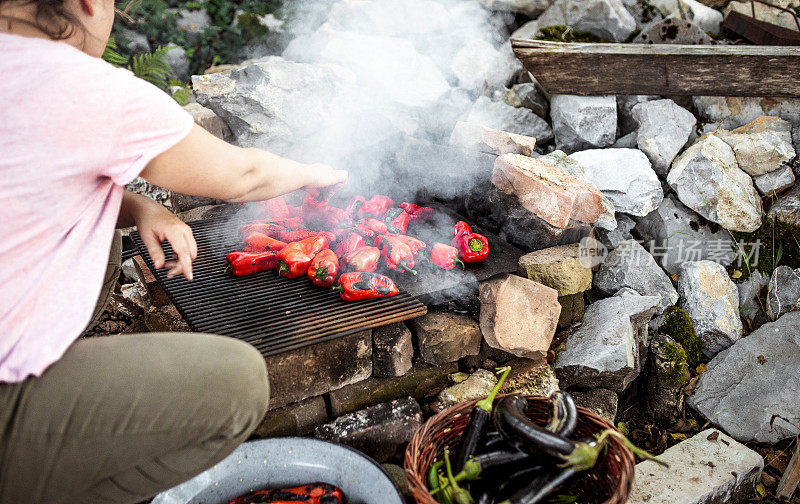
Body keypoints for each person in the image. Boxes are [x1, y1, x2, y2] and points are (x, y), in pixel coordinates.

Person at [0, 0, 348, 502]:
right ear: (88, 3)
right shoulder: (89, 90)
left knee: (97, 239)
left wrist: (141, 206)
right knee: (240, 382)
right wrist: (319, 172)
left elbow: (33, 186)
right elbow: (243, 175)